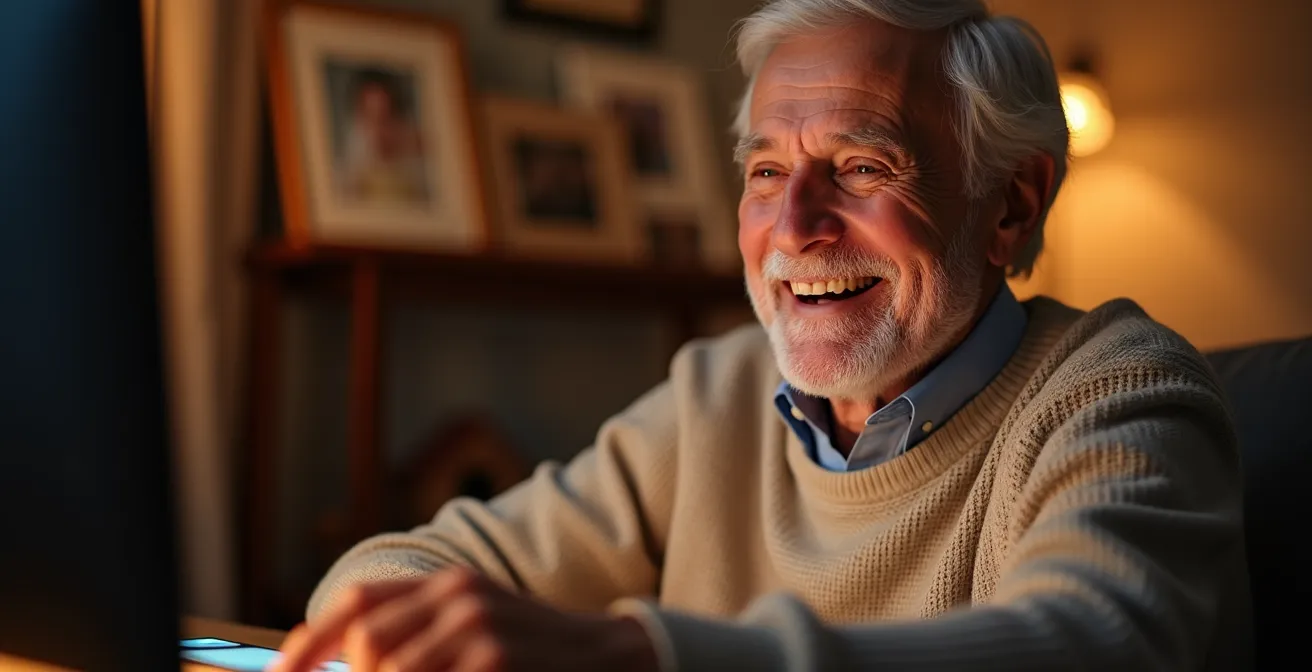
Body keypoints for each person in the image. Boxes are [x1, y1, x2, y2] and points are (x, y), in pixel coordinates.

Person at [274, 1, 1251, 670]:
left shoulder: (1118, 393)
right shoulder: (721, 394)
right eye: (767, 173)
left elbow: (1091, 646)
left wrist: (639, 655)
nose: (792, 231)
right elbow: (393, 573)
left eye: (862, 166)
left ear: (1009, 204)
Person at [335, 68, 430, 205]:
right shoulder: (350, 157)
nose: (379, 130)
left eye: (385, 117)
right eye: (370, 117)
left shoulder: (417, 152)